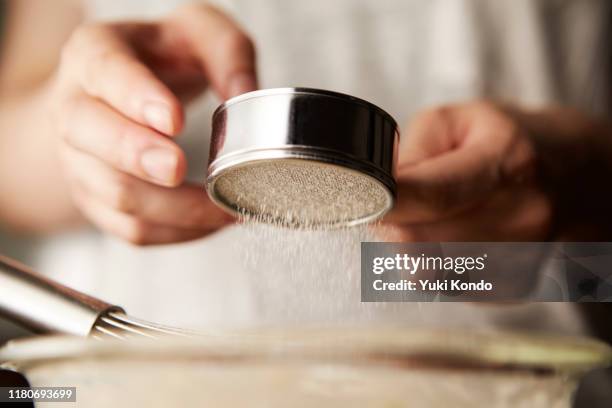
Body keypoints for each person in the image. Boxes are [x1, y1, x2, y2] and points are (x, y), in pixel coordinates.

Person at [1, 0, 611, 340]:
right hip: (152, 367)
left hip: (532, 369)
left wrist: (585, 184)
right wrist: (78, 132)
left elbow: (597, 271)